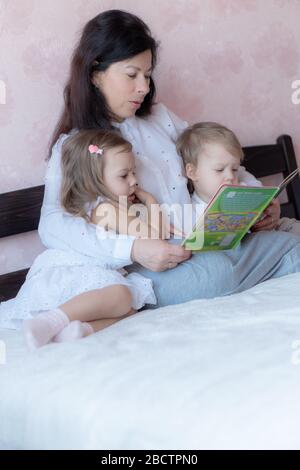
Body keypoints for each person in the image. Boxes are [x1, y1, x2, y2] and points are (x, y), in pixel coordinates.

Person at [21, 10, 300, 310]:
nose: (143, 87)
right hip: (154, 263)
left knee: (290, 248)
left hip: (205, 244)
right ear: (94, 73)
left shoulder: (160, 118)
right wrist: (134, 248)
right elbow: (52, 225)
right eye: (132, 75)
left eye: (147, 75)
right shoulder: (74, 145)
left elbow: (215, 157)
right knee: (217, 274)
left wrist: (255, 200)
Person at [0, 129, 165, 349]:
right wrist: (151, 200)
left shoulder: (107, 207)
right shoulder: (107, 209)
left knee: (131, 308)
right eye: (124, 175)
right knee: (123, 295)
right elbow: (155, 238)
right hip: (75, 275)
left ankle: (79, 330)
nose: (135, 181)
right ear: (94, 181)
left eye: (134, 172)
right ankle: (50, 321)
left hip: (80, 278)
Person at [175, 121, 300, 235]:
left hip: (272, 233)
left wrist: (265, 210)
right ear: (193, 172)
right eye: (219, 169)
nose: (230, 176)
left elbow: (269, 217)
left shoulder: (244, 188)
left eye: (234, 169)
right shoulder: (192, 214)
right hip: (248, 249)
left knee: (293, 227)